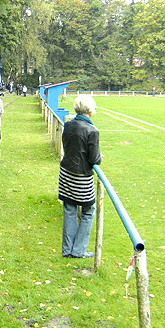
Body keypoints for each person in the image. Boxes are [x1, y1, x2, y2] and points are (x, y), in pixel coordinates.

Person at [58, 95, 102, 259]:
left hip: (66, 172)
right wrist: (100, 158)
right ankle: (79, 250)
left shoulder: (68, 124)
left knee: (69, 209)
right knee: (88, 211)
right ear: (90, 110)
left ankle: (67, 249)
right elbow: (94, 159)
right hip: (81, 176)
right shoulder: (92, 130)